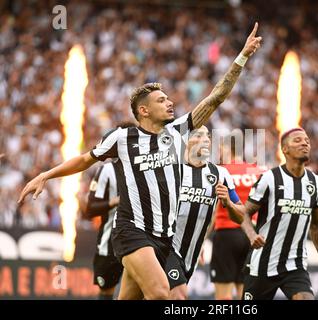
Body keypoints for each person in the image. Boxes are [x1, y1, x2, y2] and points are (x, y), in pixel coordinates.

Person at [18, 22, 262, 300]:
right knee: (162, 294)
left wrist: (242, 57)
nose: (170, 103)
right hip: (132, 230)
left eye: (169, 99)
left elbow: (216, 97)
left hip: (164, 237)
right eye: (161, 100)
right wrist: (46, 175)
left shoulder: (177, 133)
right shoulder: (123, 137)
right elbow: (85, 160)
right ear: (144, 110)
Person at [223, 128, 318, 300]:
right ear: (285, 149)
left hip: (295, 265)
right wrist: (252, 235)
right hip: (263, 264)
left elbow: (315, 224)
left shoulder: (317, 183)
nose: (305, 143)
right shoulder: (269, 178)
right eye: (297, 140)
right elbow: (245, 214)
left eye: (306, 140)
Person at [164, 126, 242, 299]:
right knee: (178, 295)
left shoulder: (220, 173)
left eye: (207, 136)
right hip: (165, 246)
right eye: (198, 135)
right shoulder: (171, 169)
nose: (206, 139)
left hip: (191, 253)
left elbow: (241, 214)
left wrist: (228, 203)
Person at [78, 122, 134, 300]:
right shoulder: (107, 171)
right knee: (106, 293)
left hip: (138, 242)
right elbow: (90, 209)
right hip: (109, 243)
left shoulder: (144, 167)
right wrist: (114, 201)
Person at [210, 141, 266, 300]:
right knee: (245, 293)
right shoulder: (257, 171)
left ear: (229, 149)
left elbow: (214, 210)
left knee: (223, 297)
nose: (219, 153)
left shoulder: (221, 171)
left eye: (221, 149)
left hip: (226, 232)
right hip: (251, 235)